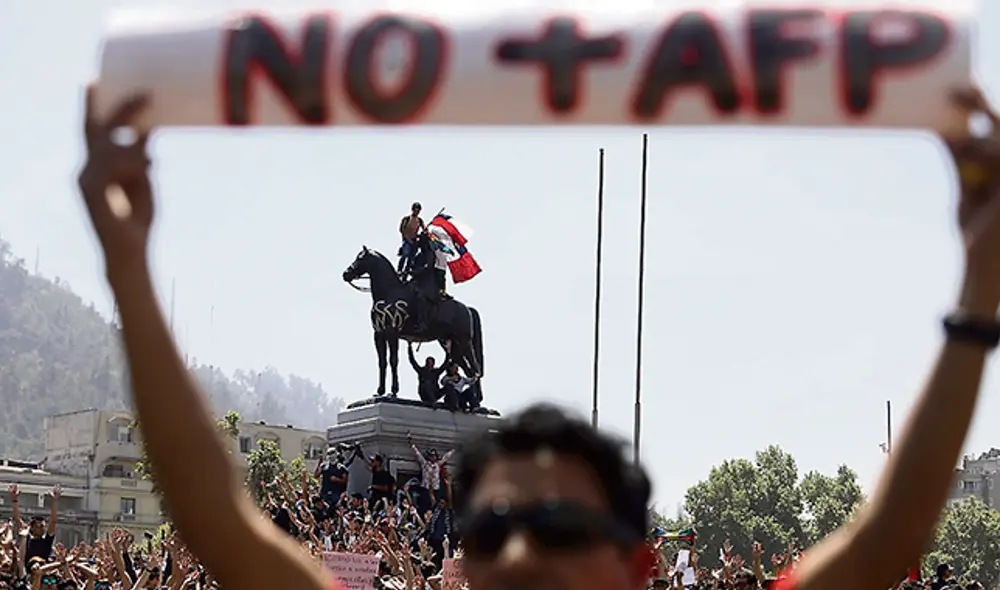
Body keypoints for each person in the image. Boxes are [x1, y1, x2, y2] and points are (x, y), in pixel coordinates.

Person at [77, 84, 1000, 590]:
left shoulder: (430, 251)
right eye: (492, 527)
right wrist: (126, 262)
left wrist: (980, 287)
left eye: (560, 524)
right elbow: (214, 517)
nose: (521, 551)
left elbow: (885, 542)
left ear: (640, 563)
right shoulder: (396, 251)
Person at [9, 484, 60, 567]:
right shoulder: (27, 539)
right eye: (37, 526)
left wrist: (54, 501)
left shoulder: (47, 541)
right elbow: (17, 520)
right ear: (31, 527)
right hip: (27, 573)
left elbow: (53, 522)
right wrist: (14, 501)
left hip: (43, 572)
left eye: (42, 526)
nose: (40, 529)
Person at [398, 202, 424, 275]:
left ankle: (407, 270)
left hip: (414, 241)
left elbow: (424, 229)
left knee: (412, 257)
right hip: (406, 240)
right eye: (416, 210)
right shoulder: (407, 219)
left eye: (418, 210)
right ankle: (399, 269)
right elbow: (401, 230)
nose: (417, 212)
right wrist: (408, 238)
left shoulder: (420, 220)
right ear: (413, 210)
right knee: (405, 254)